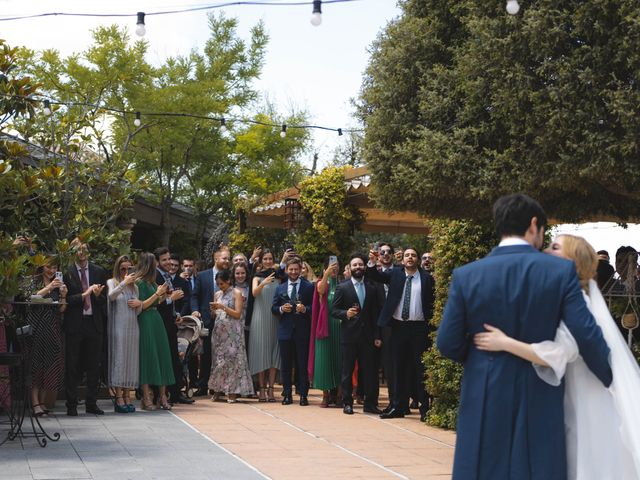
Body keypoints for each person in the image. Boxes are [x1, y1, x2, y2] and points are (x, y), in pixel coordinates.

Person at [436, 193, 612, 480]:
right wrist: (609, 376)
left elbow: (447, 342)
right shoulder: (560, 270)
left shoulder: (467, 275)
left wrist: (483, 355)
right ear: (534, 225)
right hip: (540, 394)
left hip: (485, 390)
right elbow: (585, 333)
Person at [474, 234, 640, 480]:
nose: (547, 250)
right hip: (570, 400)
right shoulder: (566, 298)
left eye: (555, 247)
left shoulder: (578, 304)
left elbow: (559, 353)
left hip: (584, 408)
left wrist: (505, 342)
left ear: (573, 262)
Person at [367, 246, 435, 420]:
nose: (410, 258)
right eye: (407, 255)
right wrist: (372, 262)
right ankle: (398, 406)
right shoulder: (396, 274)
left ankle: (425, 408)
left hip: (420, 329)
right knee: (398, 367)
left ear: (418, 260)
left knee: (421, 369)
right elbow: (376, 276)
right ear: (403, 260)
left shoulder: (427, 279)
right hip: (398, 327)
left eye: (413, 255)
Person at [63, 238, 108, 416]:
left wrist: (96, 296)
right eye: (78, 250)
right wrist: (84, 294)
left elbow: (103, 301)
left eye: (84, 249)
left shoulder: (98, 271)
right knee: (72, 365)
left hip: (93, 323)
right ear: (73, 252)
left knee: (93, 366)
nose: (81, 253)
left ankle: (91, 403)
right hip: (75, 323)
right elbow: (66, 300)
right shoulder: (67, 272)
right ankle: (71, 404)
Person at [332, 254, 382, 415]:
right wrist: (346, 313)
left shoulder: (372, 287)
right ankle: (347, 402)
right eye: (355, 265)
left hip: (368, 336)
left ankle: (370, 403)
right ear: (350, 267)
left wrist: (377, 335)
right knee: (347, 371)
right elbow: (333, 310)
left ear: (365, 267)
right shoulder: (342, 287)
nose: (358, 267)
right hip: (349, 335)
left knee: (370, 371)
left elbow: (376, 314)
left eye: (360, 265)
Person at [272, 257, 314, 406]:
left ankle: (303, 395)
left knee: (302, 364)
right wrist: (282, 309)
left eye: (296, 269)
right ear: (286, 270)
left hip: (303, 331)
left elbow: (314, 308)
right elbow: (274, 308)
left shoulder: (309, 287)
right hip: (285, 331)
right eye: (291, 269)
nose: (294, 272)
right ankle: (287, 394)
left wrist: (305, 309)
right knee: (286, 365)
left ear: (301, 268)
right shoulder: (280, 287)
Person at [135, 252, 174, 411]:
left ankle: (163, 396)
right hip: (145, 320)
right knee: (148, 356)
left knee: (162, 355)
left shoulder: (151, 282)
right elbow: (142, 305)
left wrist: (164, 295)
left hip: (156, 320)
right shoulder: (139, 283)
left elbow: (156, 302)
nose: (157, 266)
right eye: (155, 263)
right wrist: (158, 294)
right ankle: (146, 396)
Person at [28, 258, 67, 417]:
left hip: (53, 327)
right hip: (37, 326)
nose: (51, 270)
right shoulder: (35, 281)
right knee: (36, 364)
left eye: (54, 267)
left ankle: (43, 403)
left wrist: (63, 295)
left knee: (50, 364)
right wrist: (49, 287)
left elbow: (62, 309)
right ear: (42, 266)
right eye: (48, 267)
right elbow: (30, 298)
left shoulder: (58, 283)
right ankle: (35, 403)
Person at [208, 269, 254, 402]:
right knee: (218, 361)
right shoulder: (217, 294)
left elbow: (238, 314)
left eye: (222, 284)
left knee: (233, 361)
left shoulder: (237, 293)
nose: (220, 286)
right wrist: (213, 310)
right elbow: (214, 315)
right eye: (218, 284)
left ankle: (232, 391)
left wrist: (223, 307)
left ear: (228, 281)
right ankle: (217, 389)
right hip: (219, 332)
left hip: (233, 332)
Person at [190, 247, 231, 395]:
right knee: (206, 354)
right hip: (207, 320)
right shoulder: (202, 275)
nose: (227, 261)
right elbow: (195, 295)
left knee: (223, 354)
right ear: (216, 259)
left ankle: (221, 386)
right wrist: (195, 310)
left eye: (228, 258)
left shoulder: (230, 276)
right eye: (224, 258)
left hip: (226, 322)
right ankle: (203, 386)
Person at [154, 247, 192, 405]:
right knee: (164, 358)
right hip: (160, 323)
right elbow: (155, 302)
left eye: (169, 259)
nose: (168, 262)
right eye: (164, 260)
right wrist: (171, 299)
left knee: (174, 359)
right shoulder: (156, 277)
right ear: (157, 262)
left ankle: (175, 393)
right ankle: (160, 394)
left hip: (170, 322)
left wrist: (175, 314)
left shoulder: (167, 276)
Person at [107, 255, 140, 413]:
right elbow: (111, 296)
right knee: (119, 360)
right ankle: (119, 397)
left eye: (129, 269)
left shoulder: (135, 287)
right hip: (118, 328)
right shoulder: (112, 282)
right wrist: (123, 283)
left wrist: (139, 304)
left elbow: (138, 310)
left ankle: (128, 396)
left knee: (130, 360)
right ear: (118, 269)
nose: (126, 271)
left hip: (133, 328)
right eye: (123, 269)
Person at [248, 249, 282, 402]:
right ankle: (261, 388)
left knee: (275, 353)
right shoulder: (257, 276)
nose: (268, 261)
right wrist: (263, 283)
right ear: (261, 261)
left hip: (275, 318)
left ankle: (271, 389)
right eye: (265, 259)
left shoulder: (279, 277)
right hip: (260, 317)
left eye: (270, 259)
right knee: (261, 352)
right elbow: (254, 293)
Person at [308, 257, 342, 407]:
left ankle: (340, 394)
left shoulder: (343, 284)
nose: (334, 268)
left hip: (340, 327)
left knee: (340, 360)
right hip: (324, 327)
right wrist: (326, 274)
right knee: (324, 360)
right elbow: (321, 290)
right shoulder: (322, 283)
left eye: (336, 266)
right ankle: (326, 395)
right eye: (330, 266)